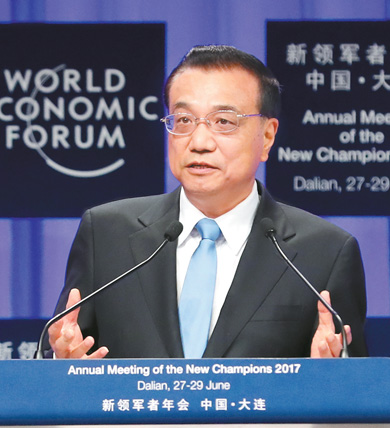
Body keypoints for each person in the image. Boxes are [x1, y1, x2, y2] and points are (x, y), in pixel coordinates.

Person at [46, 45, 367, 359]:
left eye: (224, 121)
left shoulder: (325, 254)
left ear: (267, 136)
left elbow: (357, 385)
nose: (199, 142)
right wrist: (64, 366)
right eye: (184, 120)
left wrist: (329, 377)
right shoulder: (105, 235)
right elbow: (62, 357)